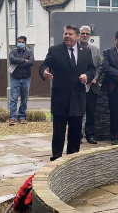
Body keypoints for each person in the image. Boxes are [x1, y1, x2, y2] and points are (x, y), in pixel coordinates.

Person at [39, 25, 96, 161]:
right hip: (60, 97)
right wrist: (44, 74)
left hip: (78, 97)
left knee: (75, 131)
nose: (67, 36)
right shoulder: (55, 50)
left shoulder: (85, 52)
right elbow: (43, 67)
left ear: (77, 37)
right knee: (59, 131)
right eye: (65, 33)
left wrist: (87, 76)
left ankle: (72, 158)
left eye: (70, 34)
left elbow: (92, 69)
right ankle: (56, 157)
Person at [79, 25, 102, 144]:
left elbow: (99, 66)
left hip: (92, 86)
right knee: (78, 112)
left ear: (89, 36)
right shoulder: (75, 49)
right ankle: (78, 135)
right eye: (82, 33)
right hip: (79, 86)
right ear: (79, 35)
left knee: (91, 112)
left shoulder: (95, 50)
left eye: (87, 34)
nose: (84, 35)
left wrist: (95, 78)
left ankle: (90, 135)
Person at [9, 36, 34, 125]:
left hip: (26, 78)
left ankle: (22, 116)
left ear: (25, 43)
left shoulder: (29, 51)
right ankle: (12, 117)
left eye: (22, 42)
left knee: (24, 99)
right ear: (16, 42)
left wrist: (18, 63)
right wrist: (24, 60)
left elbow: (31, 62)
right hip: (15, 78)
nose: (21, 43)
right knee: (13, 99)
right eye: (19, 41)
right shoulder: (13, 51)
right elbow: (12, 60)